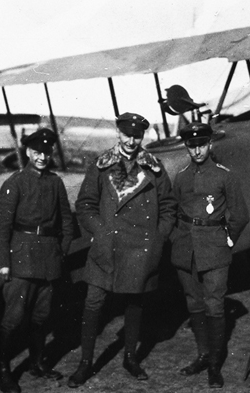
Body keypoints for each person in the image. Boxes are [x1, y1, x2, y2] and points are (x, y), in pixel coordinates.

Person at [67, 112, 177, 388]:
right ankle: (85, 363)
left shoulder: (154, 168)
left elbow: (168, 207)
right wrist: (100, 231)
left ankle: (131, 358)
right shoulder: (101, 165)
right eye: (126, 134)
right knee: (93, 303)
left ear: (142, 137)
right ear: (118, 133)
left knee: (133, 303)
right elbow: (85, 205)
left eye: (137, 135)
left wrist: (157, 239)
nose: (131, 140)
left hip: (140, 248)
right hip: (106, 247)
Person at [0, 128, 74, 393]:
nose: (42, 158)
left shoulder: (55, 182)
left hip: (49, 260)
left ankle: (37, 363)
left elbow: (67, 221)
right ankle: (3, 370)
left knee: (41, 317)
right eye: (37, 152)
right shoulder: (15, 182)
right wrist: (2, 261)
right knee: (13, 319)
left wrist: (61, 251)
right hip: (21, 259)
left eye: (46, 153)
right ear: (28, 152)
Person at [170, 122, 249, 388]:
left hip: (214, 248)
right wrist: (175, 238)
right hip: (185, 249)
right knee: (194, 303)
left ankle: (215, 364)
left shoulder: (225, 175)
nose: (197, 150)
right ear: (187, 147)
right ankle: (203, 355)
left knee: (214, 304)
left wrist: (228, 240)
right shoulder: (181, 176)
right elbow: (174, 210)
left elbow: (240, 215)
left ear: (210, 144)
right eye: (192, 146)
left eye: (202, 144)